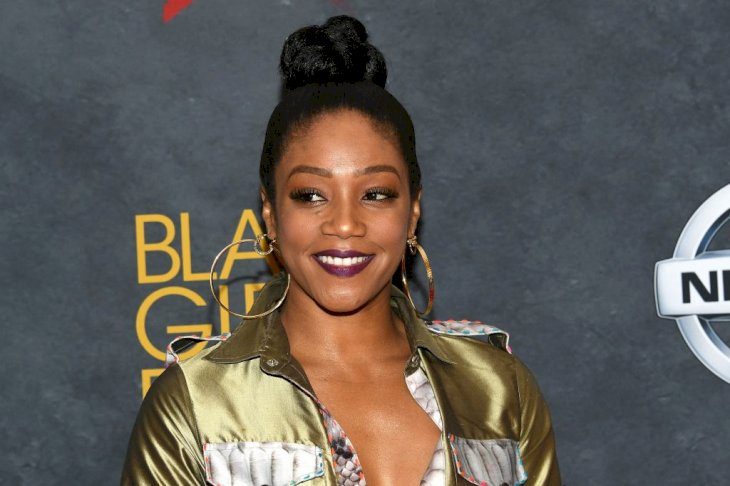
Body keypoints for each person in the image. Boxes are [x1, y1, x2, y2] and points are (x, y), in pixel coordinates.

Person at [121, 15, 561, 486]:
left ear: (413, 210)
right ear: (270, 213)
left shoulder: (498, 390)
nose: (346, 223)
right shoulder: (196, 403)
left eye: (376, 193)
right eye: (311, 194)